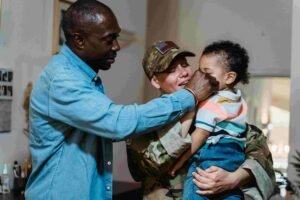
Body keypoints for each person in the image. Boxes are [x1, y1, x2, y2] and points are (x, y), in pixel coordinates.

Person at [24, 1, 216, 200]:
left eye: (184, 65)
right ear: (79, 40)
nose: (116, 46)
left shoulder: (85, 79)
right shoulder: (63, 80)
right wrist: (190, 96)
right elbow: (119, 124)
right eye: (109, 39)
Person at [126, 40, 275, 200]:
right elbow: (153, 164)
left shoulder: (219, 110)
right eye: (171, 70)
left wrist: (233, 179)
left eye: (184, 65)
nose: (184, 73)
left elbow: (260, 156)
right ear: (156, 81)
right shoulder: (144, 120)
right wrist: (190, 106)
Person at [171, 40, 251, 200]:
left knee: (195, 188)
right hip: (234, 158)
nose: (200, 77)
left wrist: (178, 162)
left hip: (211, 156)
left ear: (229, 77)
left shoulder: (212, 103)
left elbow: (200, 136)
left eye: (206, 72)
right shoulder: (238, 100)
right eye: (200, 71)